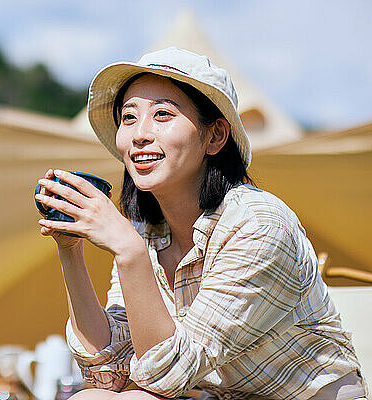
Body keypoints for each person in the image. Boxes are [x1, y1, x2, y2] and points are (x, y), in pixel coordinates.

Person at [34, 47, 368, 399]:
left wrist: (129, 251)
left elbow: (166, 376)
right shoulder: (146, 231)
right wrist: (69, 248)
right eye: (129, 118)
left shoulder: (258, 224)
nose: (139, 134)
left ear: (215, 137)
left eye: (162, 114)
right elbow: (106, 375)